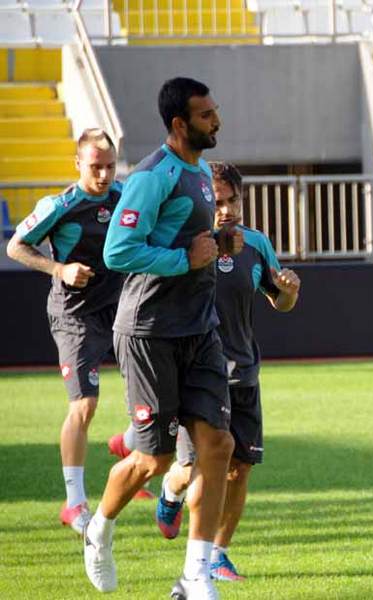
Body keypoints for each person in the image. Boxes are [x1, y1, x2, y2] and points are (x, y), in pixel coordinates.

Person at [83, 77, 241, 600]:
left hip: (200, 330)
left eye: (214, 111)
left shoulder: (199, 172)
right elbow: (117, 251)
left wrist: (217, 242)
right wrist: (184, 259)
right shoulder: (153, 175)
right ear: (179, 123)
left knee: (218, 444)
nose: (216, 121)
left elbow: (187, 239)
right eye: (205, 115)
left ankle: (196, 575)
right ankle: (99, 528)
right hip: (150, 333)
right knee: (154, 461)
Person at [109, 162, 301, 583]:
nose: (226, 209)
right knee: (191, 466)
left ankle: (218, 554)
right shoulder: (183, 244)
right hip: (195, 372)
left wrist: (288, 292)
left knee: (240, 468)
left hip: (242, 373)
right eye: (218, 201)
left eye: (233, 200)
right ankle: (170, 490)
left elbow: (279, 301)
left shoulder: (255, 244)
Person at [6, 129, 124, 534]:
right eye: (95, 167)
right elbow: (16, 246)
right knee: (84, 405)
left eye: (110, 166)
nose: (104, 175)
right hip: (76, 316)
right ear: (77, 164)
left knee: (159, 387)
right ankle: (74, 503)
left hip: (120, 310)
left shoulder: (125, 197)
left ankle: (129, 446)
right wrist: (59, 269)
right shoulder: (60, 206)